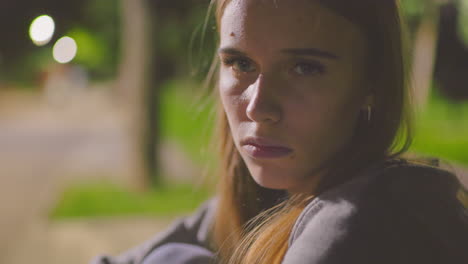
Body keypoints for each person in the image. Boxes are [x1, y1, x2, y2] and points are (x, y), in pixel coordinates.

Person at [92, 0, 468, 263]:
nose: (258, 107)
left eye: (304, 68)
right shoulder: (276, 195)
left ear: (372, 81)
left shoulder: (357, 223)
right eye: (240, 63)